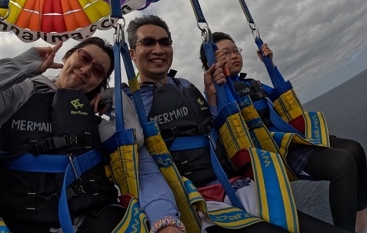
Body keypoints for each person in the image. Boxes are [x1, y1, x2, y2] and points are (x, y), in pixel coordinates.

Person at [0, 37, 185, 233]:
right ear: (68, 56)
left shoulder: (94, 119)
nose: (87, 69)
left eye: (97, 71)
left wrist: (113, 95)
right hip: (24, 222)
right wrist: (24, 65)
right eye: (83, 58)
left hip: (95, 219)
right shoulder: (20, 93)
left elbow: (133, 139)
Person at [122, 14, 350, 233]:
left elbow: (213, 127)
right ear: (132, 53)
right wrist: (163, 217)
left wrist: (212, 96)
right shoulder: (129, 103)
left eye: (165, 42)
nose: (159, 49)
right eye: (148, 42)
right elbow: (143, 170)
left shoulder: (185, 85)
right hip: (199, 202)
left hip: (236, 183)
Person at [199, 32, 367, 233]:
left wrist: (270, 66)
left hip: (287, 141)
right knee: (342, 163)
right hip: (268, 154)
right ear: (212, 63)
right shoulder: (215, 95)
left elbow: (282, 98)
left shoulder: (251, 84)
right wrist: (216, 87)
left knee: (355, 150)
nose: (234, 55)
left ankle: (361, 223)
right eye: (225, 54)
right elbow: (218, 122)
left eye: (236, 50)